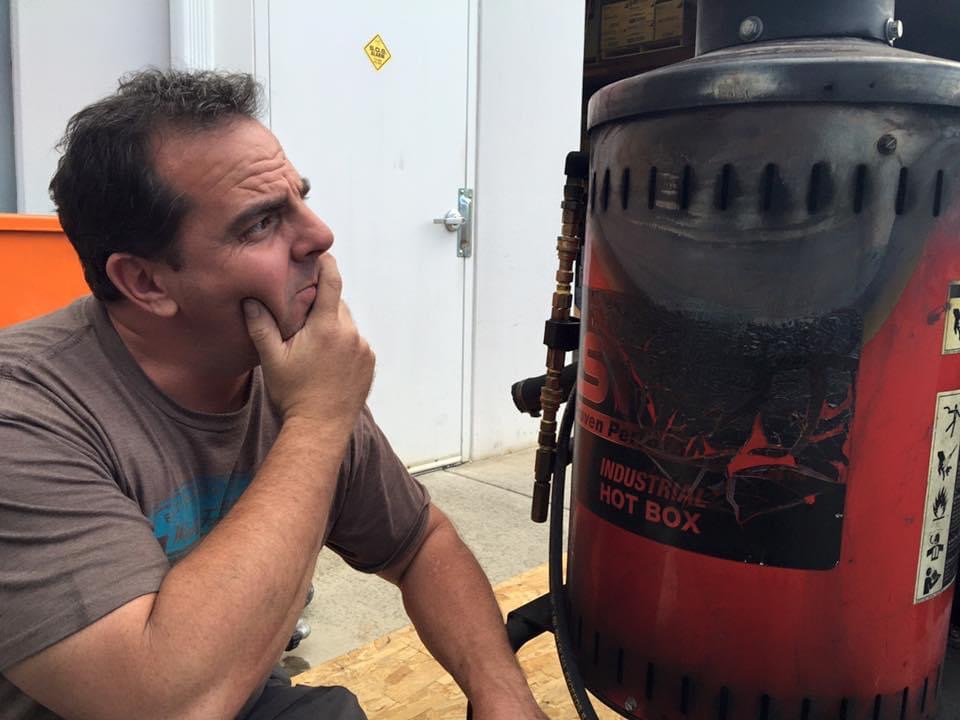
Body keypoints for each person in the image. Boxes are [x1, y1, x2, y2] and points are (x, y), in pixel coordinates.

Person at [0, 69, 547, 720]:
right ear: (145, 282)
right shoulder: (24, 415)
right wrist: (316, 421)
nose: (319, 235)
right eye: (261, 223)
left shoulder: (285, 371)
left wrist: (502, 695)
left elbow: (420, 542)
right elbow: (164, 705)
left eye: (300, 200)